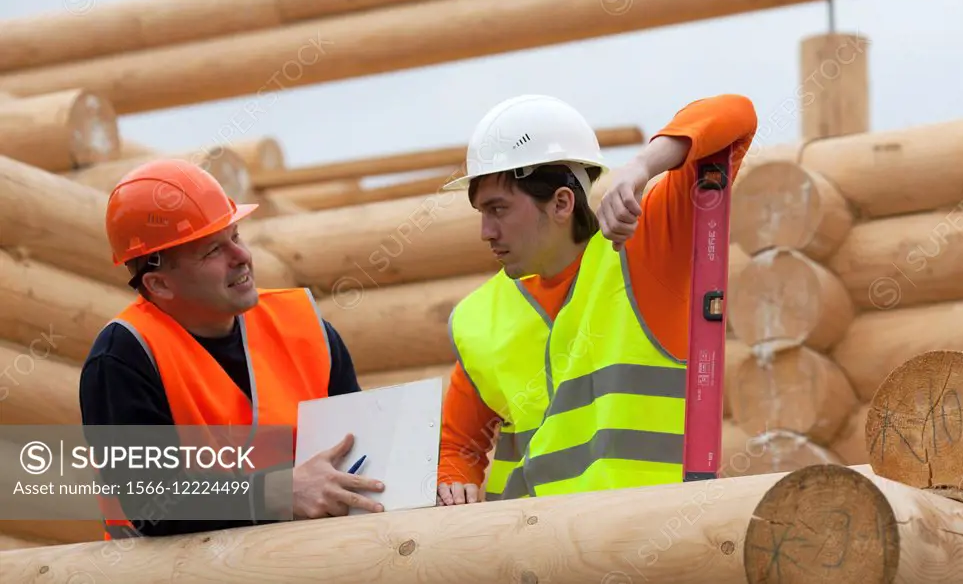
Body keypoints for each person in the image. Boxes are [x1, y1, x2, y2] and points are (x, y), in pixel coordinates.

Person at [435, 93, 757, 505]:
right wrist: (454, 478)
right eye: (482, 212)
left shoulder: (644, 250)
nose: (486, 231)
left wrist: (641, 167)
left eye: (498, 210)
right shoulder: (478, 319)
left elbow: (736, 113)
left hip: (649, 541)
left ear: (562, 203)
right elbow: (457, 448)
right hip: (527, 555)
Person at [80, 158, 385, 539]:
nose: (241, 257)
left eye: (235, 236)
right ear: (159, 285)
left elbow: (364, 457)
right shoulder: (124, 355)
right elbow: (151, 501)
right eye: (212, 251)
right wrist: (279, 493)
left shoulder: (306, 329)